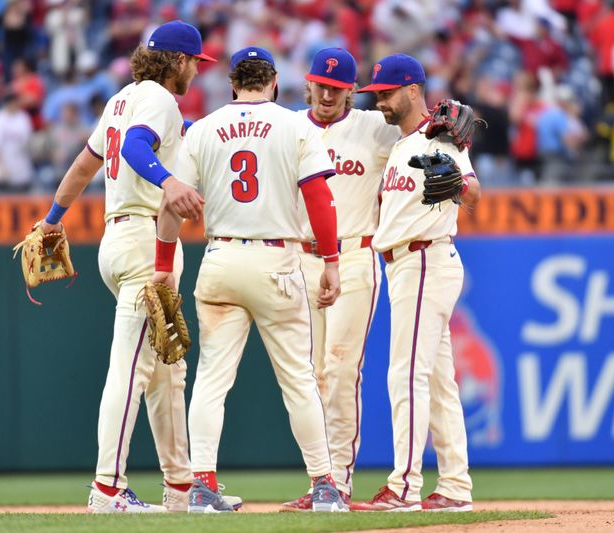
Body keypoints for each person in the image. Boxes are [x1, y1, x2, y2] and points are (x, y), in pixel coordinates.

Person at [34, 21, 234, 514]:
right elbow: (139, 149)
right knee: (130, 369)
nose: (196, 70)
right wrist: (169, 182)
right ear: (177, 61)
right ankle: (107, 489)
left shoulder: (121, 99)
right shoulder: (161, 100)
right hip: (146, 241)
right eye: (193, 62)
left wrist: (52, 218)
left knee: (168, 370)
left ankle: (181, 488)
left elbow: (86, 164)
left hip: (116, 239)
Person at [152, 46, 348, 513]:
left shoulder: (202, 129)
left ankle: (200, 486)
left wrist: (163, 265)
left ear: (231, 83)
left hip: (220, 257)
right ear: (274, 81)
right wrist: (333, 261)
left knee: (211, 382)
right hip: (276, 260)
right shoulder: (296, 124)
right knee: (299, 380)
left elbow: (171, 204)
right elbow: (319, 197)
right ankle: (323, 484)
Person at [355, 54, 480, 512]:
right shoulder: (407, 142)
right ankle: (455, 487)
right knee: (439, 382)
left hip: (424, 257)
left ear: (412, 90)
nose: (381, 102)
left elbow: (474, 191)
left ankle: (404, 487)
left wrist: (456, 184)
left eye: (386, 94)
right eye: (377, 95)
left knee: (406, 374)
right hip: (409, 263)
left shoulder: (438, 135)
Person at [280, 47, 398, 511]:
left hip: (353, 255)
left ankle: (338, 485)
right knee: (308, 377)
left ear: (351, 90)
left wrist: (443, 132)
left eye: (337, 87)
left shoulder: (373, 126)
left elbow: (421, 133)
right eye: (320, 84)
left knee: (341, 368)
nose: (327, 93)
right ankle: (319, 481)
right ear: (307, 84)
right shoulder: (287, 127)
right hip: (300, 258)